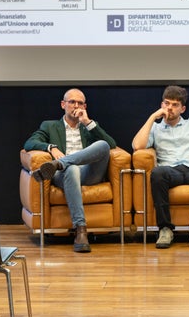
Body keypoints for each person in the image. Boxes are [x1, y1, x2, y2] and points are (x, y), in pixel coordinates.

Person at [23, 88, 118, 253]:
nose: (76, 106)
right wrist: (50, 147)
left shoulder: (89, 127)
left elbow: (110, 145)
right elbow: (29, 143)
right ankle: (80, 230)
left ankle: (60, 163)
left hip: (88, 173)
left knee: (102, 145)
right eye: (72, 102)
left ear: (85, 107)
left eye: (80, 103)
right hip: (65, 175)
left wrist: (87, 122)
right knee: (72, 168)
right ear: (63, 104)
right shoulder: (50, 126)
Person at [131, 85, 189, 249]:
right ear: (161, 105)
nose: (170, 108)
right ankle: (165, 229)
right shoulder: (155, 128)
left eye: (175, 105)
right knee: (157, 173)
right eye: (167, 103)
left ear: (182, 109)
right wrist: (152, 117)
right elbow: (137, 146)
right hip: (170, 170)